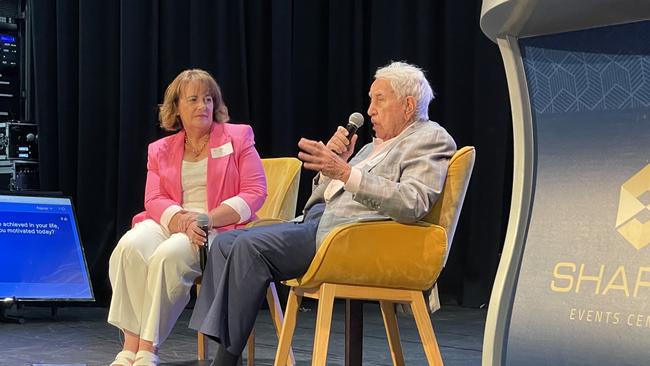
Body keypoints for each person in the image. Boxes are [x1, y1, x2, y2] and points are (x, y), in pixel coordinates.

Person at [189, 61, 457, 365]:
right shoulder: (372, 148)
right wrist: (335, 165)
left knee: (249, 248)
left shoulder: (430, 138)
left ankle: (223, 360)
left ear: (408, 105)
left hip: (347, 236)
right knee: (225, 242)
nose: (370, 110)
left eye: (379, 99)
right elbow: (333, 191)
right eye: (370, 100)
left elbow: (414, 201)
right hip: (317, 221)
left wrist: (344, 171)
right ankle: (225, 353)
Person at [107, 69, 267, 366]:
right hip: (173, 221)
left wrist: (204, 219)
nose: (202, 106)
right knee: (129, 247)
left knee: (169, 255)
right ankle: (129, 347)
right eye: (193, 99)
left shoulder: (238, 136)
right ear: (176, 108)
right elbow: (153, 199)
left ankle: (148, 347)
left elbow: (255, 191)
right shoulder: (160, 150)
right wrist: (183, 220)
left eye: (208, 99)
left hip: (217, 228)